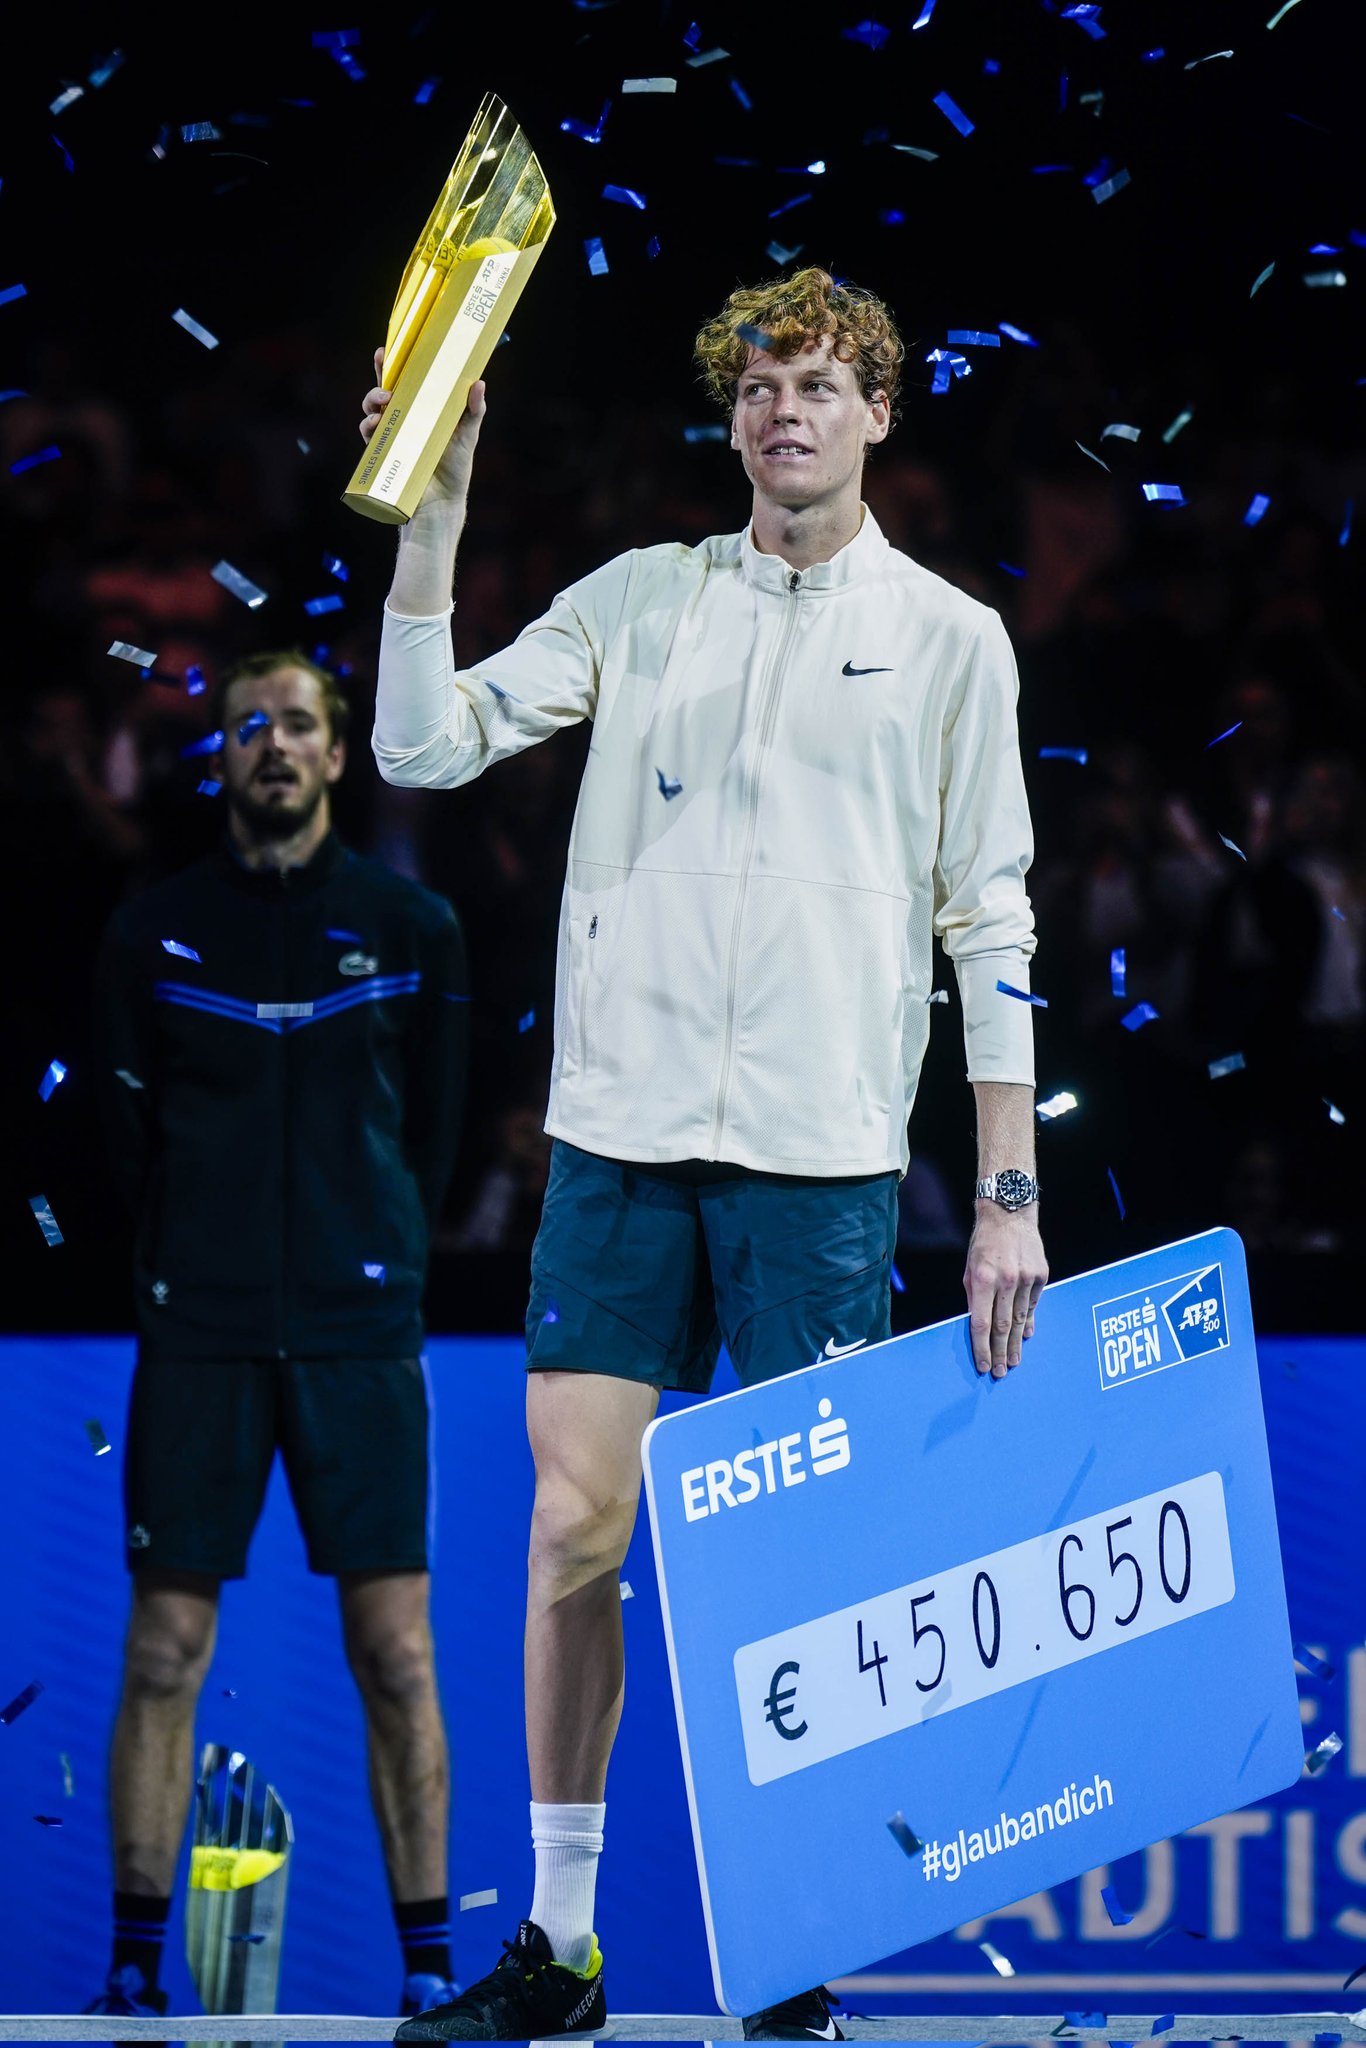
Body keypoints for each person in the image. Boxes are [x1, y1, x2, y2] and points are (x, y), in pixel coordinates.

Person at [365, 267, 1048, 2042]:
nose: (784, 412)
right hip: (617, 1141)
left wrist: (1002, 1198)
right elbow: (423, 744)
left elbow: (992, 923)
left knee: (803, 1564)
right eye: (758, 386)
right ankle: (566, 1948)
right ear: (728, 413)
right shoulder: (643, 603)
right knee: (577, 1526)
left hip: (819, 1164)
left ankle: (798, 1927)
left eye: (819, 385)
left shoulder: (952, 639)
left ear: (881, 411)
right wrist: (430, 535)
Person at [87, 650, 469, 2022]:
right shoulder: (152, 933)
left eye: (297, 725)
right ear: (224, 757)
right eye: (248, 726)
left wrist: (362, 1253)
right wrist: (201, 1260)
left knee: (400, 1657)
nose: (272, 745)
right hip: (201, 1332)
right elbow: (125, 1140)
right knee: (161, 1653)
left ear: (337, 751)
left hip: (363, 1332)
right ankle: (135, 1972)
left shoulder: (412, 928)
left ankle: (429, 1979)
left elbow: (433, 1132)